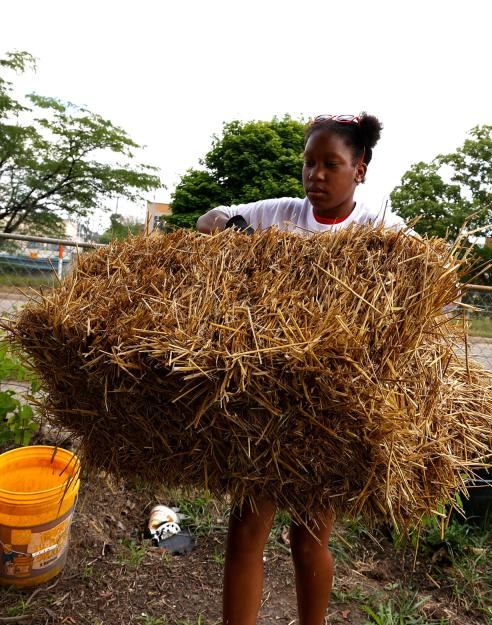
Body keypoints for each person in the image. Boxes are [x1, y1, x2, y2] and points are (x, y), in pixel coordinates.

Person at [196, 113, 407, 625]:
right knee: (246, 529)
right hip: (265, 404)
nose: (316, 175)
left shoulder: (382, 232)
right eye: (309, 163)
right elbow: (209, 218)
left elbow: (426, 301)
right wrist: (233, 229)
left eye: (331, 164)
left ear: (359, 168)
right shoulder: (283, 214)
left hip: (329, 412)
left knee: (308, 536)